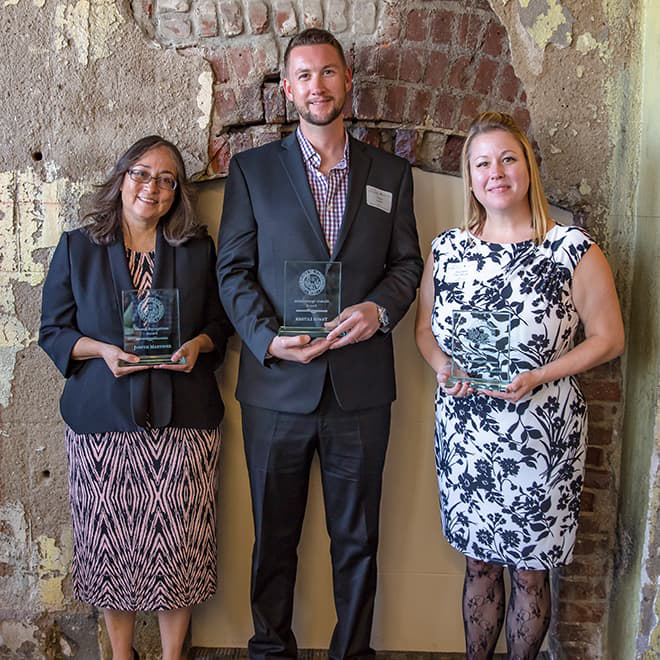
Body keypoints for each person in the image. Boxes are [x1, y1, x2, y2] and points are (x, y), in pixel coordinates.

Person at [216, 28, 423, 660]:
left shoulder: (390, 173)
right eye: (303, 76)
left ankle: (351, 652)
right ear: (288, 89)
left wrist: (379, 309)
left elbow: (407, 265)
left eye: (328, 72)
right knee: (273, 536)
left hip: (359, 387)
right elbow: (233, 270)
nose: (317, 85)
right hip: (277, 385)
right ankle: (269, 647)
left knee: (357, 538)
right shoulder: (252, 170)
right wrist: (268, 340)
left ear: (347, 79)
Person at [415, 111, 624, 659]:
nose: (496, 172)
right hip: (467, 436)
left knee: (531, 575)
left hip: (542, 435)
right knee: (479, 565)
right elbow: (423, 331)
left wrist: (540, 374)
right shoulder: (447, 251)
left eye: (508, 158)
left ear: (528, 167)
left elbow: (609, 337)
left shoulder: (571, 249)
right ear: (470, 175)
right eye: (482, 162)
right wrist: (442, 366)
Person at [39, 135, 232, 660]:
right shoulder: (78, 246)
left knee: (179, 549)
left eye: (167, 179)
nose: (153, 187)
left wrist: (200, 343)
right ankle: (119, 654)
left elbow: (219, 322)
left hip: (183, 425)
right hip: (103, 427)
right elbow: (53, 330)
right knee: (110, 548)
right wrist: (100, 350)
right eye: (142, 174)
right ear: (122, 177)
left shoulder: (196, 249)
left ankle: (174, 656)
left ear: (178, 192)